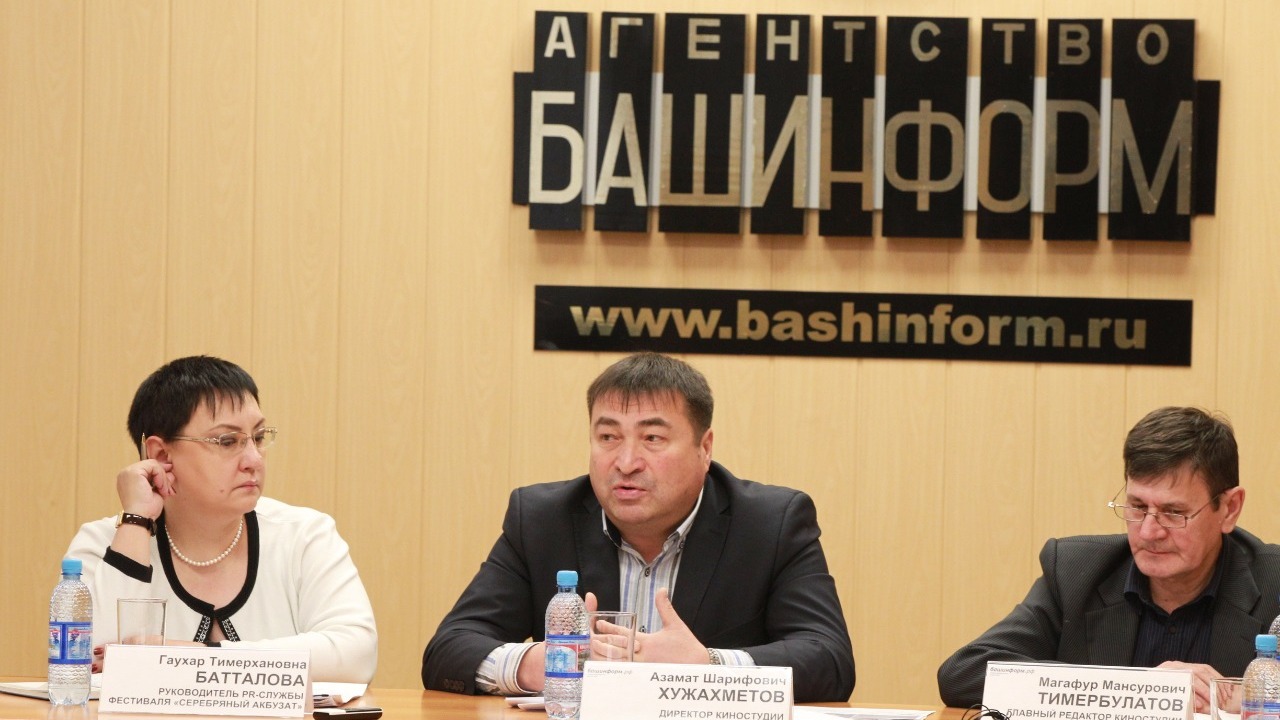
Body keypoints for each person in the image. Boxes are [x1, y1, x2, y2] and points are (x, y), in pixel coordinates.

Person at [421, 352, 854, 703]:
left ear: (704, 448)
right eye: (608, 437)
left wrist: (708, 667)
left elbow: (830, 661)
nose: (626, 462)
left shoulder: (771, 524)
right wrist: (542, 663)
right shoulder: (541, 519)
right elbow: (449, 649)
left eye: (652, 439)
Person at [937, 407, 1280, 711]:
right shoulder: (1075, 571)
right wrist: (1141, 688)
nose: (1149, 532)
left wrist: (1251, 696)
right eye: (1137, 507)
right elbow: (962, 673)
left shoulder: (1274, 580)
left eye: (1174, 512)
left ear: (1229, 509)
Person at [65, 356, 377, 682]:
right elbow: (82, 663)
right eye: (228, 441)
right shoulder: (103, 545)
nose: (254, 459)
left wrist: (196, 656)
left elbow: (356, 655)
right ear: (161, 455)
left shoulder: (304, 536)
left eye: (258, 437)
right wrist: (136, 520)